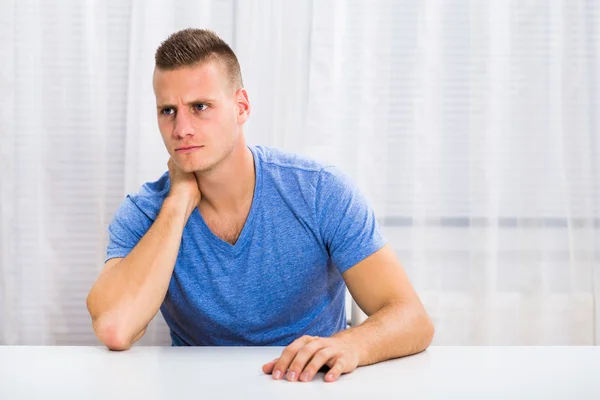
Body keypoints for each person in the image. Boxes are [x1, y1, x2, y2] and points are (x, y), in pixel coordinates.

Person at [86, 28, 434, 383]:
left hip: (310, 384)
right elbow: (116, 328)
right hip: (197, 388)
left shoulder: (317, 190)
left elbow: (412, 318)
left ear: (241, 107)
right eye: (168, 111)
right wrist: (178, 203)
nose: (181, 129)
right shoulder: (145, 212)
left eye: (200, 107)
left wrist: (351, 345)